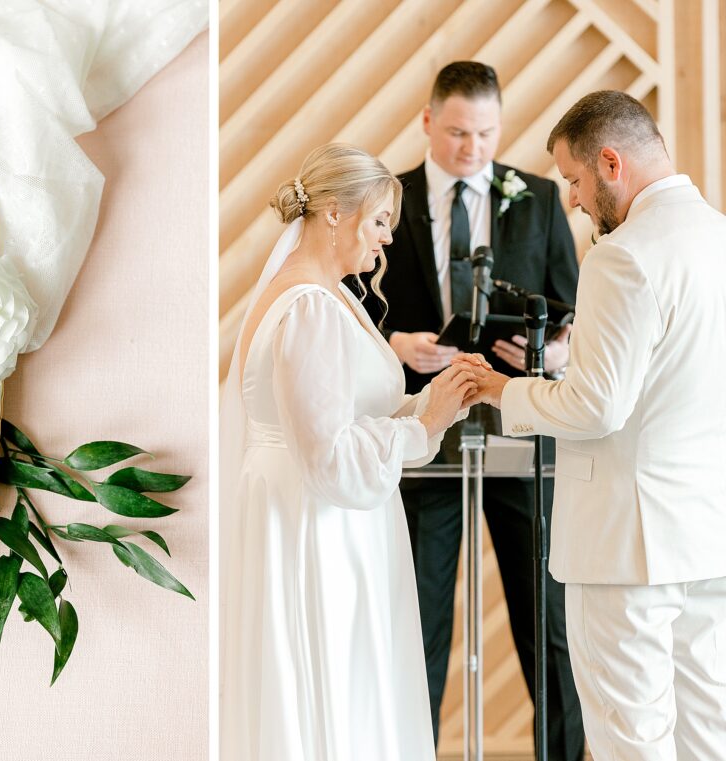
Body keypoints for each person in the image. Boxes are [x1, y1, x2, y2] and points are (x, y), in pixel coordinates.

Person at [462, 90, 726, 761]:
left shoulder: (623, 255)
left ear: (611, 161)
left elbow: (596, 406)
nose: (573, 201)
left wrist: (508, 390)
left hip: (624, 545)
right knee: (707, 731)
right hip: (705, 533)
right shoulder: (718, 237)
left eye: (574, 180)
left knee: (628, 736)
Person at [350, 60, 585, 758]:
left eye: (486, 134)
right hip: (423, 436)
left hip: (521, 427)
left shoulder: (539, 197)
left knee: (546, 620)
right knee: (418, 616)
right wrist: (396, 343)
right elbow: (351, 298)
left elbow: (574, 316)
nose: (472, 148)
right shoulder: (390, 193)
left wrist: (544, 353)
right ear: (427, 122)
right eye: (457, 132)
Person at [220, 143, 483, 759]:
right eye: (380, 222)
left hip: (315, 513)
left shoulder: (328, 295)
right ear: (334, 213)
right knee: (332, 683)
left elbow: (340, 417)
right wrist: (421, 428)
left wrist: (430, 404)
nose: (387, 240)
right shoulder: (310, 306)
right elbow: (330, 457)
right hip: (318, 528)